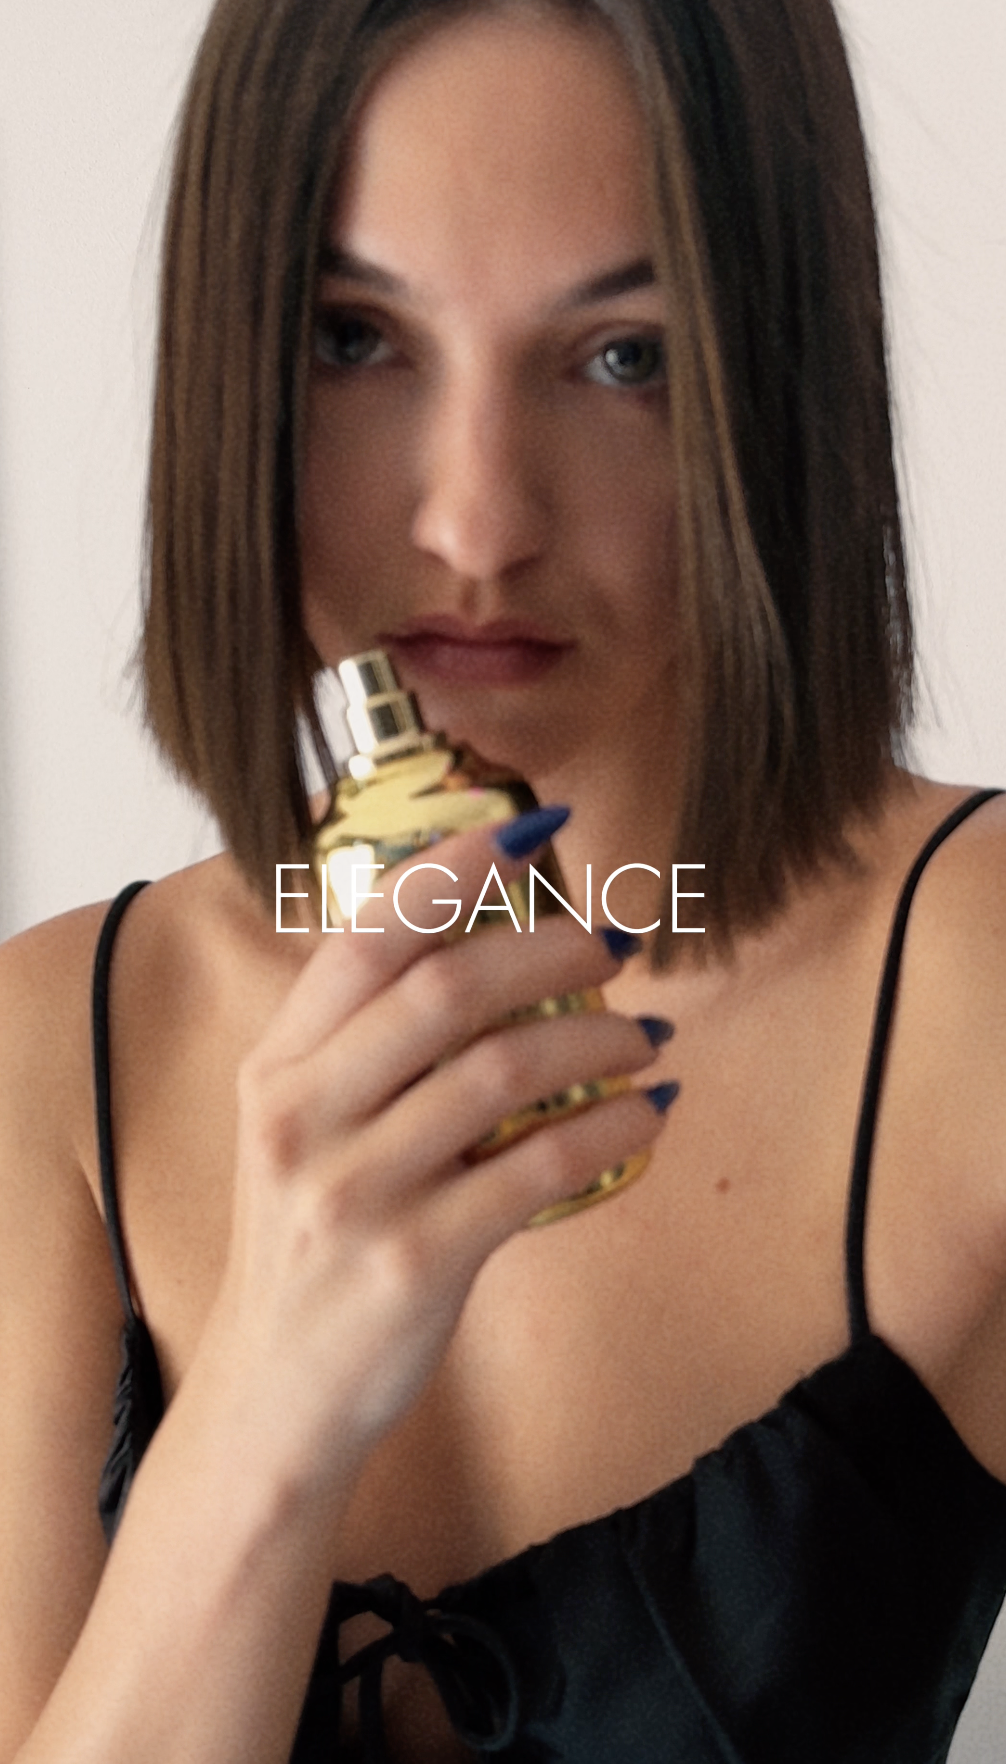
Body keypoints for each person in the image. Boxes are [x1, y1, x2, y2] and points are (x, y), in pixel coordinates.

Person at [1, 0, 1005, 1759]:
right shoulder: (46, 1061)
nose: (474, 524)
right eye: (354, 339)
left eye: (624, 356)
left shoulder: (971, 980)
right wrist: (266, 1401)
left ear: (776, 382)